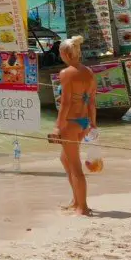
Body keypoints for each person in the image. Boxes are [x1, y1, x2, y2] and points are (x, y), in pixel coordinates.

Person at [51, 36, 96, 215]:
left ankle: (82, 207)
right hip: (84, 120)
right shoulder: (89, 72)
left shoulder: (66, 73)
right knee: (65, 158)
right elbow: (92, 101)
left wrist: (57, 127)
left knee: (75, 166)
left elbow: (66, 103)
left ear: (64, 54)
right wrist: (93, 123)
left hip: (70, 122)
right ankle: (76, 200)